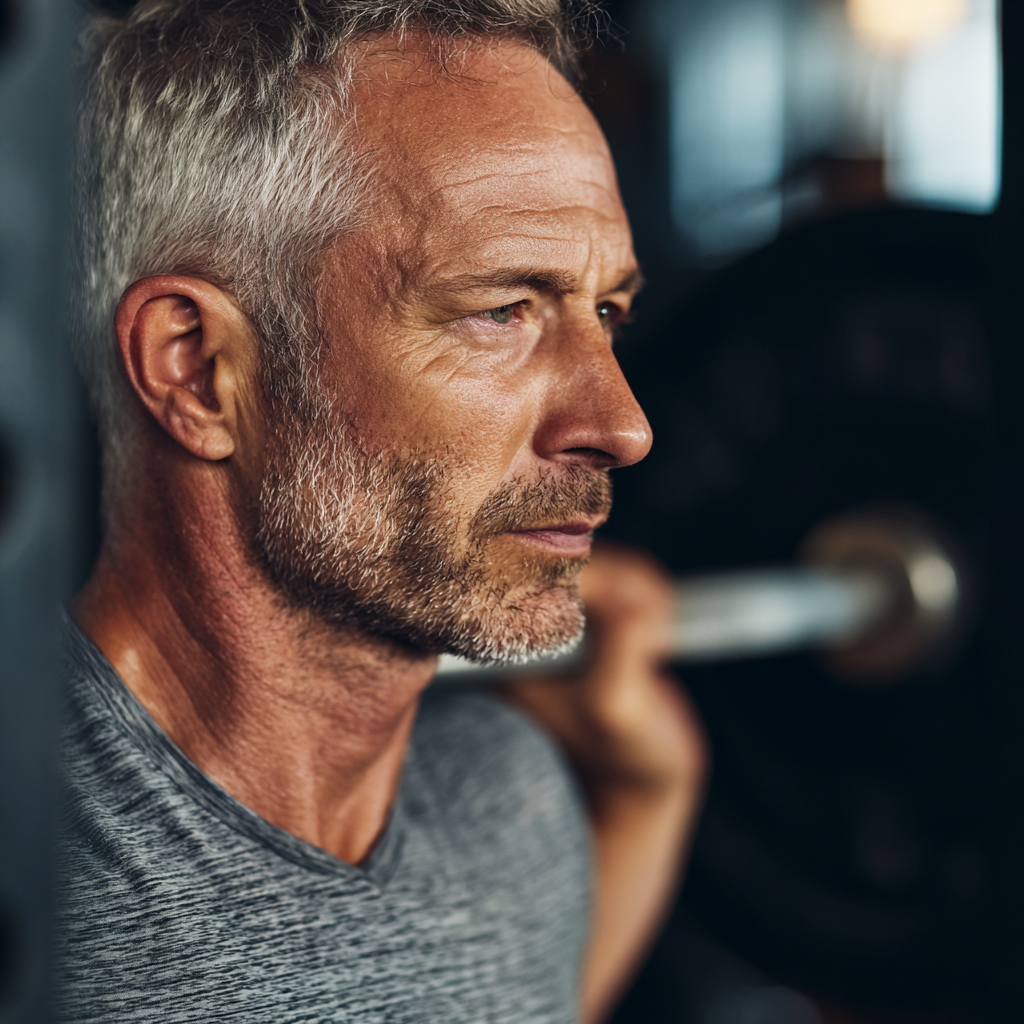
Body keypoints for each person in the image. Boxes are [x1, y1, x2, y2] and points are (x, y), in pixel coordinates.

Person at [59, 1, 708, 1021]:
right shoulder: (41, 884)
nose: (623, 426)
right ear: (198, 369)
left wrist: (647, 793)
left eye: (608, 313)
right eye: (502, 310)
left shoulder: (512, 807)